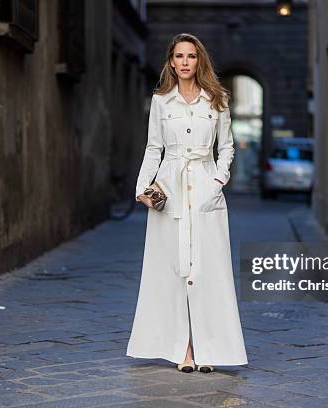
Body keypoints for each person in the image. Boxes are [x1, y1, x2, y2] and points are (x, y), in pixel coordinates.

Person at [126, 33, 247, 373]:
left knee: (210, 271)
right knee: (172, 270)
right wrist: (142, 189)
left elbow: (227, 147)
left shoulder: (217, 99)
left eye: (190, 56)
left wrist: (218, 180)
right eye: (178, 56)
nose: (184, 62)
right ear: (171, 61)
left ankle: (211, 348)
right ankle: (185, 349)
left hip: (207, 190)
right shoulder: (161, 101)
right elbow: (154, 149)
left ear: (199, 61)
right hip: (171, 189)